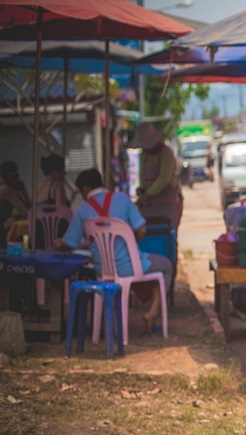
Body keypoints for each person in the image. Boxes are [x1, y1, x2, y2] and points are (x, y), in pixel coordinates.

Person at [55, 168, 172, 335]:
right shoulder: (122, 199)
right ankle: (151, 313)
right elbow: (141, 230)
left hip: (103, 271)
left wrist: (57, 244)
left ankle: (107, 325)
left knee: (151, 266)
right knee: (166, 265)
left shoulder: (82, 210)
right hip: (131, 267)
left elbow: (69, 243)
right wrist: (131, 245)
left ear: (86, 189)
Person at [130, 122, 182, 230]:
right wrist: (142, 189)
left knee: (168, 234)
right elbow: (142, 176)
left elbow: (164, 178)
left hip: (167, 202)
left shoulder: (166, 152)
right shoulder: (144, 155)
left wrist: (148, 194)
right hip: (149, 203)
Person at [0, 160, 31, 248]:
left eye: (17, 176)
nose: (16, 180)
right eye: (12, 177)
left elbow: (29, 207)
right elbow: (24, 212)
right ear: (4, 177)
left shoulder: (12, 191)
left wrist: (23, 191)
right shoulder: (5, 190)